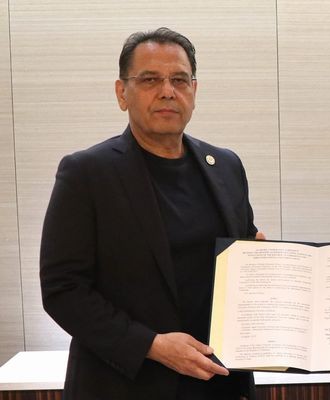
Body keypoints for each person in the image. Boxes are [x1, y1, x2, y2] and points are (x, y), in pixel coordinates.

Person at [40, 27, 264, 400]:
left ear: (194, 90)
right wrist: (152, 345)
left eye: (179, 80)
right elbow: (62, 290)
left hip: (219, 384)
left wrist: (270, 260)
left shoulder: (226, 166)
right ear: (121, 93)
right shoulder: (87, 173)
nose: (167, 91)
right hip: (126, 385)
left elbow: (245, 251)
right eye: (149, 80)